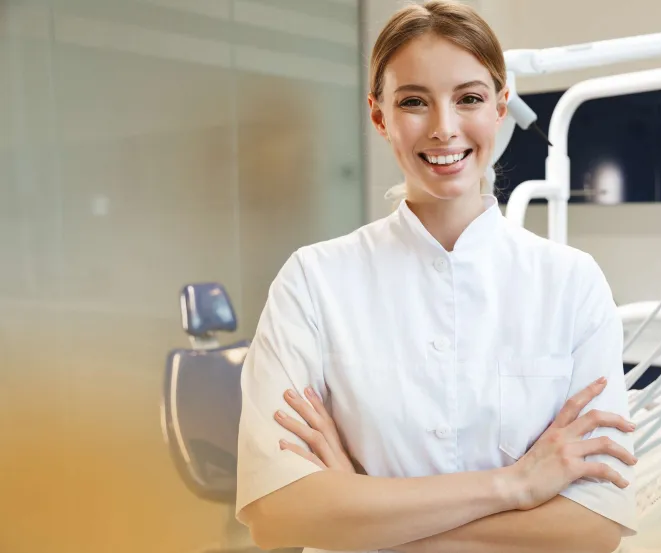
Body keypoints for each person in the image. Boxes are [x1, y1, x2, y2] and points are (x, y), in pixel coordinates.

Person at [234, 2, 638, 552]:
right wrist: (515, 485)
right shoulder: (313, 281)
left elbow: (593, 528)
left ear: (499, 108)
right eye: (414, 103)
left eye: (468, 98)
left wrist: (357, 505)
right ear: (379, 117)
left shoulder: (571, 284)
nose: (445, 128)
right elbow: (276, 516)